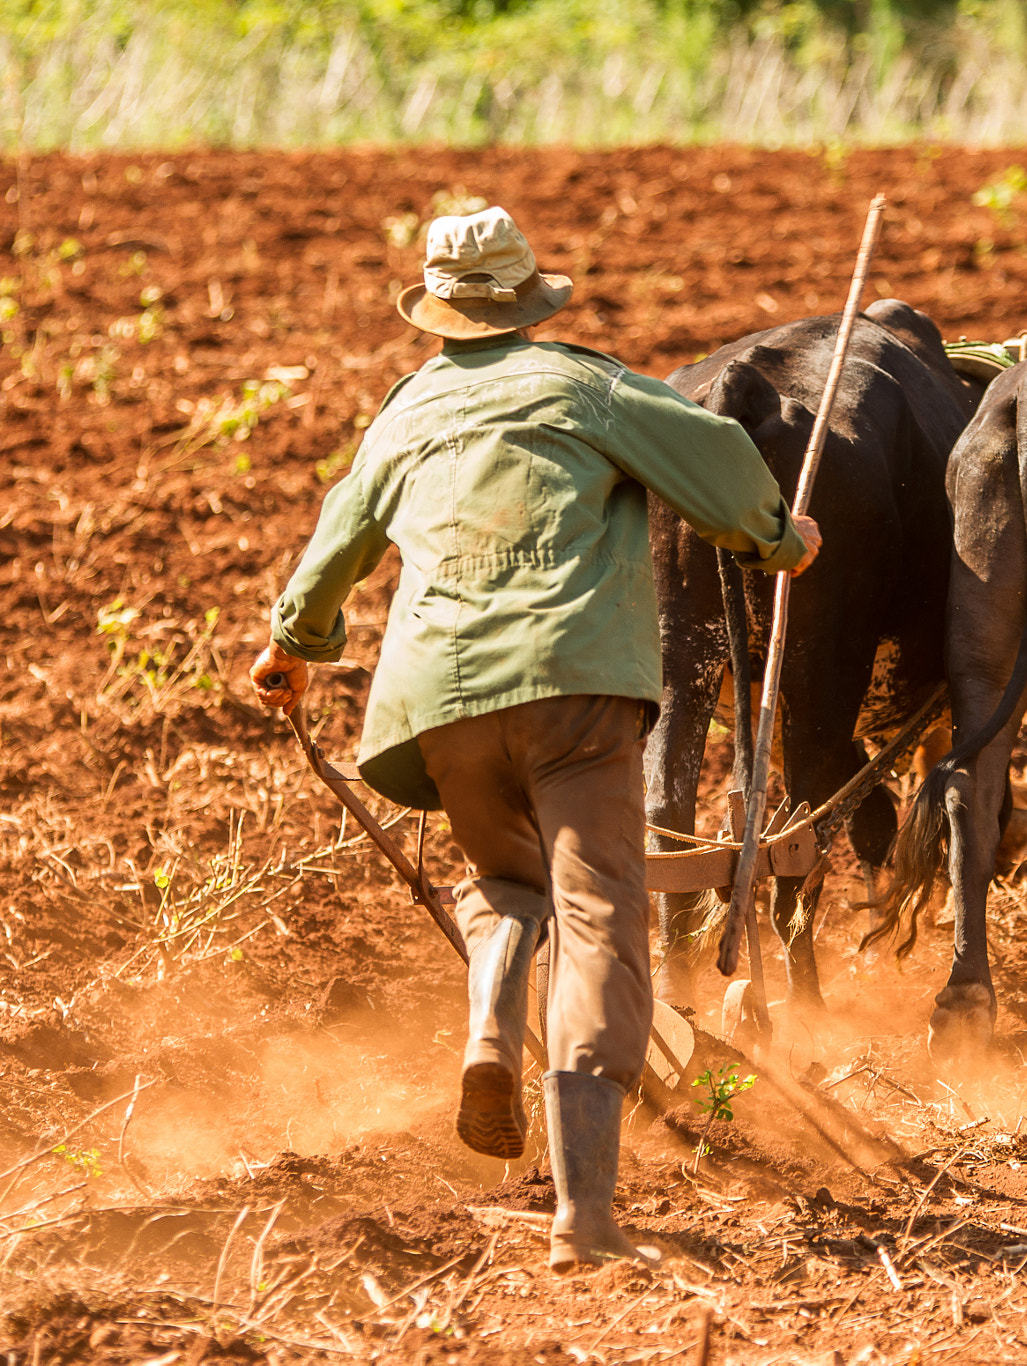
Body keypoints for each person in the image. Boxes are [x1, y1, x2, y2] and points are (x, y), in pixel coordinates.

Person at [248, 207, 820, 1271]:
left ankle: (484, 1036)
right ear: (527, 301)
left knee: (509, 882)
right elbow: (718, 459)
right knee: (602, 917)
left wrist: (295, 644)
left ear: (438, 309)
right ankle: (587, 1218)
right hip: (574, 686)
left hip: (440, 704)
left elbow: (339, 534)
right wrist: (779, 540)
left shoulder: (405, 412)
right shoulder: (580, 384)